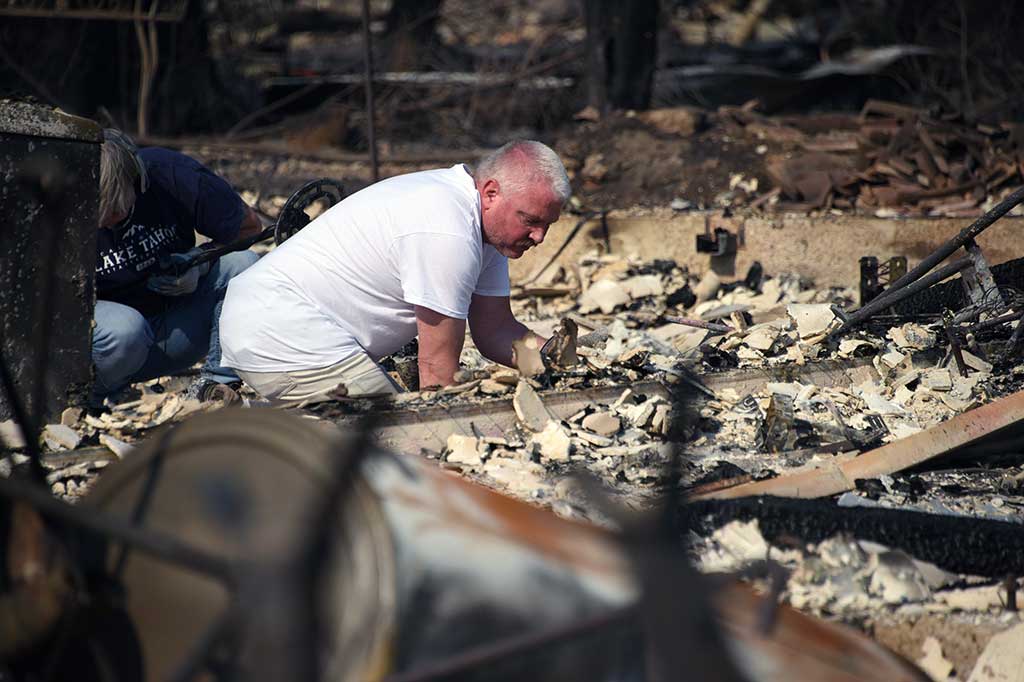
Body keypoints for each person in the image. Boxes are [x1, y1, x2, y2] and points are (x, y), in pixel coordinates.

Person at [220, 139, 570, 403]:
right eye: (531, 221)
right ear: (491, 192)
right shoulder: (447, 229)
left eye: (547, 224)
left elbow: (496, 329)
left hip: (281, 323)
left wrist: (564, 362)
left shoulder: (486, 231)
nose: (539, 237)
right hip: (279, 329)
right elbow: (435, 368)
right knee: (396, 439)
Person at [92, 130, 262, 406]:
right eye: (96, 216)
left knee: (244, 266)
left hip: (170, 329)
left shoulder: (171, 174)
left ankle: (214, 388)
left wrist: (200, 262)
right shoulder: (54, 208)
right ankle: (90, 398)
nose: (106, 224)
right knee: (125, 329)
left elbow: (249, 229)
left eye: (115, 212)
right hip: (106, 346)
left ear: (138, 181)